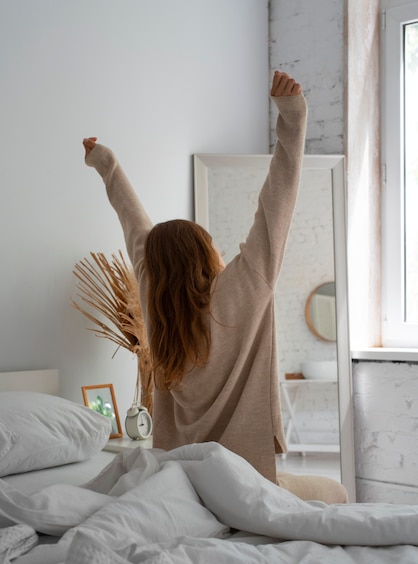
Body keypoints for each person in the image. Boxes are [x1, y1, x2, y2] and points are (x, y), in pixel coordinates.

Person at [83, 71, 348, 503]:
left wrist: (106, 165)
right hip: (245, 485)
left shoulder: (158, 307)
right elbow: (275, 205)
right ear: (206, 255)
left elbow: (136, 228)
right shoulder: (241, 290)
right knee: (336, 491)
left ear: (158, 270)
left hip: (179, 482)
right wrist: (293, 119)